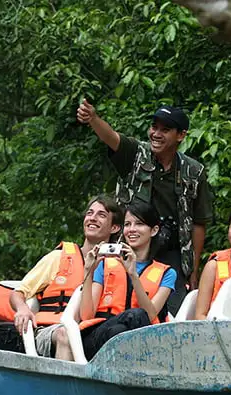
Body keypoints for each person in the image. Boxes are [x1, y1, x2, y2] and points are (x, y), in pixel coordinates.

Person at [76, 99, 213, 316]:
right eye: (154, 127)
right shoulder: (136, 154)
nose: (156, 134)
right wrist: (93, 119)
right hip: (131, 243)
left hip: (172, 251)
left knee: (172, 309)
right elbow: (112, 138)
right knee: (119, 302)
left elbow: (198, 222)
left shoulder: (193, 171)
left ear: (181, 135)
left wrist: (193, 269)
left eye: (165, 129)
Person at [9, 195, 123, 360]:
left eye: (101, 215)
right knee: (66, 335)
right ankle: (64, 386)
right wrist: (23, 309)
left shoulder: (119, 267)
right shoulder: (58, 257)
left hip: (91, 333)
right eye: (90, 213)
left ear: (114, 228)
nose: (93, 218)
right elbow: (18, 293)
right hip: (52, 330)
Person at [76, 202, 176, 361]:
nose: (132, 229)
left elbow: (149, 315)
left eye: (139, 224)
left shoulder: (167, 273)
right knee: (129, 319)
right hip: (96, 338)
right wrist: (89, 271)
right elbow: (87, 315)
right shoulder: (105, 264)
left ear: (154, 230)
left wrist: (133, 275)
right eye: (128, 224)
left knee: (123, 328)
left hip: (133, 338)